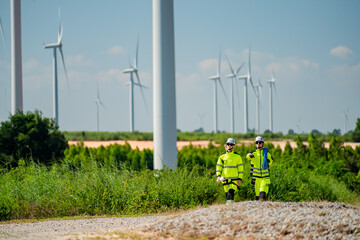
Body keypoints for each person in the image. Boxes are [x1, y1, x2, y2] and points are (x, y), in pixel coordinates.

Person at [246, 136, 274, 201]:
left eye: (260, 142)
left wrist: (268, 161)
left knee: (262, 194)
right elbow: (247, 156)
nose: (258, 144)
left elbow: (272, 162)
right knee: (257, 196)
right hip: (256, 179)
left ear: (263, 144)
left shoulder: (267, 153)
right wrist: (250, 156)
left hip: (265, 178)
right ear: (255, 144)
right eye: (257, 142)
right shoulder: (253, 153)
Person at [216, 138, 244, 204]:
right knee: (228, 195)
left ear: (233, 146)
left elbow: (240, 169)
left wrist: (240, 179)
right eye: (228, 144)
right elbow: (218, 167)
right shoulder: (222, 157)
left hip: (234, 179)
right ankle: (231, 209)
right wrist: (218, 176)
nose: (229, 146)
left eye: (231, 144)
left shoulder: (237, 157)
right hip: (224, 179)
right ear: (226, 145)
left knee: (230, 193)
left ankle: (229, 209)